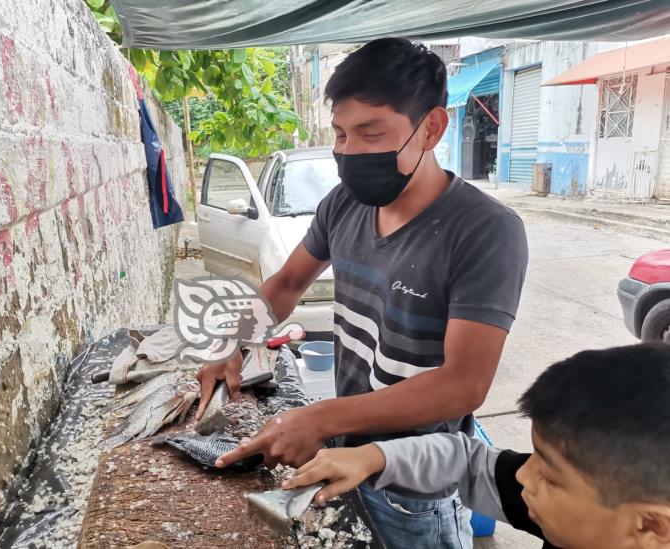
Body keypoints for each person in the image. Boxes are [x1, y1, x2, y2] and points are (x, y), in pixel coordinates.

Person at [196, 37, 529, 547]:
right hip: (343, 451)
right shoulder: (343, 204)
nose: (348, 153)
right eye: (340, 134)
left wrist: (320, 417)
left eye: (370, 133)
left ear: (432, 127)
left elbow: (464, 384)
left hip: (417, 483)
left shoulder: (485, 230)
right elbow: (286, 284)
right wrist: (231, 342)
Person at [283, 344, 670, 549]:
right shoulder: (586, 514)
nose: (522, 476)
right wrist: (373, 455)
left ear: (651, 525)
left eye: (549, 475)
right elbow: (466, 462)